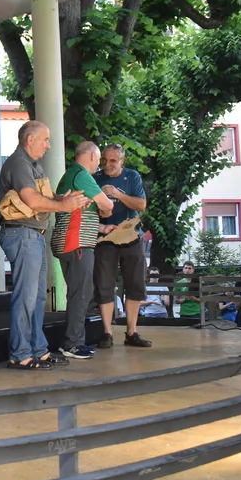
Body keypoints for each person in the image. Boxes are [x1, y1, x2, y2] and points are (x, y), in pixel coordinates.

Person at [0, 120, 88, 370]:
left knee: (37, 298)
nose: (48, 145)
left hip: (32, 235)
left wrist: (65, 199)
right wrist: (63, 206)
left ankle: (38, 349)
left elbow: (44, 197)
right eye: (45, 140)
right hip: (22, 234)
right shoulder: (19, 163)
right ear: (30, 140)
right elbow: (31, 200)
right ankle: (20, 354)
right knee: (26, 298)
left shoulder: (32, 164)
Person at [50, 141, 114, 358]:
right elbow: (108, 205)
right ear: (92, 156)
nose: (100, 164)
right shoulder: (81, 175)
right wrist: (105, 208)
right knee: (81, 294)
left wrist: (102, 227)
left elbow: (79, 215)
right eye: (99, 159)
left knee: (80, 292)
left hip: (70, 241)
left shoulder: (71, 175)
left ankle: (73, 341)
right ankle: (72, 344)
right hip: (76, 244)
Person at [92, 143, 153, 348]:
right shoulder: (95, 178)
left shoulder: (132, 176)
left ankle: (132, 332)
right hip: (105, 238)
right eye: (104, 160)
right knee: (104, 284)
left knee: (135, 284)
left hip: (131, 236)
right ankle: (107, 332)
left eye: (113, 161)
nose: (107, 164)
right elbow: (88, 210)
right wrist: (101, 211)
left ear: (122, 161)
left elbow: (141, 205)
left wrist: (118, 195)